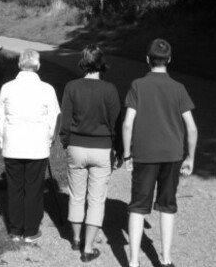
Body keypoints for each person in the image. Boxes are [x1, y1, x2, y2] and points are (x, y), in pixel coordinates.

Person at [122, 38, 198, 267]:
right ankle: (165, 259)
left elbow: (127, 124)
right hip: (172, 155)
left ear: (147, 59)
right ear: (170, 60)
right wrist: (190, 157)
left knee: (137, 206)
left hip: (144, 155)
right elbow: (191, 128)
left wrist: (127, 154)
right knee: (167, 205)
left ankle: (133, 262)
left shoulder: (137, 85)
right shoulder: (179, 88)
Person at [59, 45, 121, 263]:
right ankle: (88, 247)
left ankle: (75, 238)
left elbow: (65, 120)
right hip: (102, 148)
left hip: (76, 145)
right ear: (101, 63)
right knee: (96, 200)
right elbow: (116, 123)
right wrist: (119, 149)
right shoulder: (110, 89)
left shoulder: (71, 87)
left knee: (76, 195)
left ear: (83, 62)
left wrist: (66, 141)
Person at [0, 49, 60, 243]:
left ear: (19, 64)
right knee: (34, 188)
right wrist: (49, 139)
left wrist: (3, 140)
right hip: (37, 146)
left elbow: (0, 120)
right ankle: (31, 231)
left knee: (14, 187)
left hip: (13, 144)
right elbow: (55, 118)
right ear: (38, 65)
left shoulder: (7, 88)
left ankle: (15, 230)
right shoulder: (47, 89)